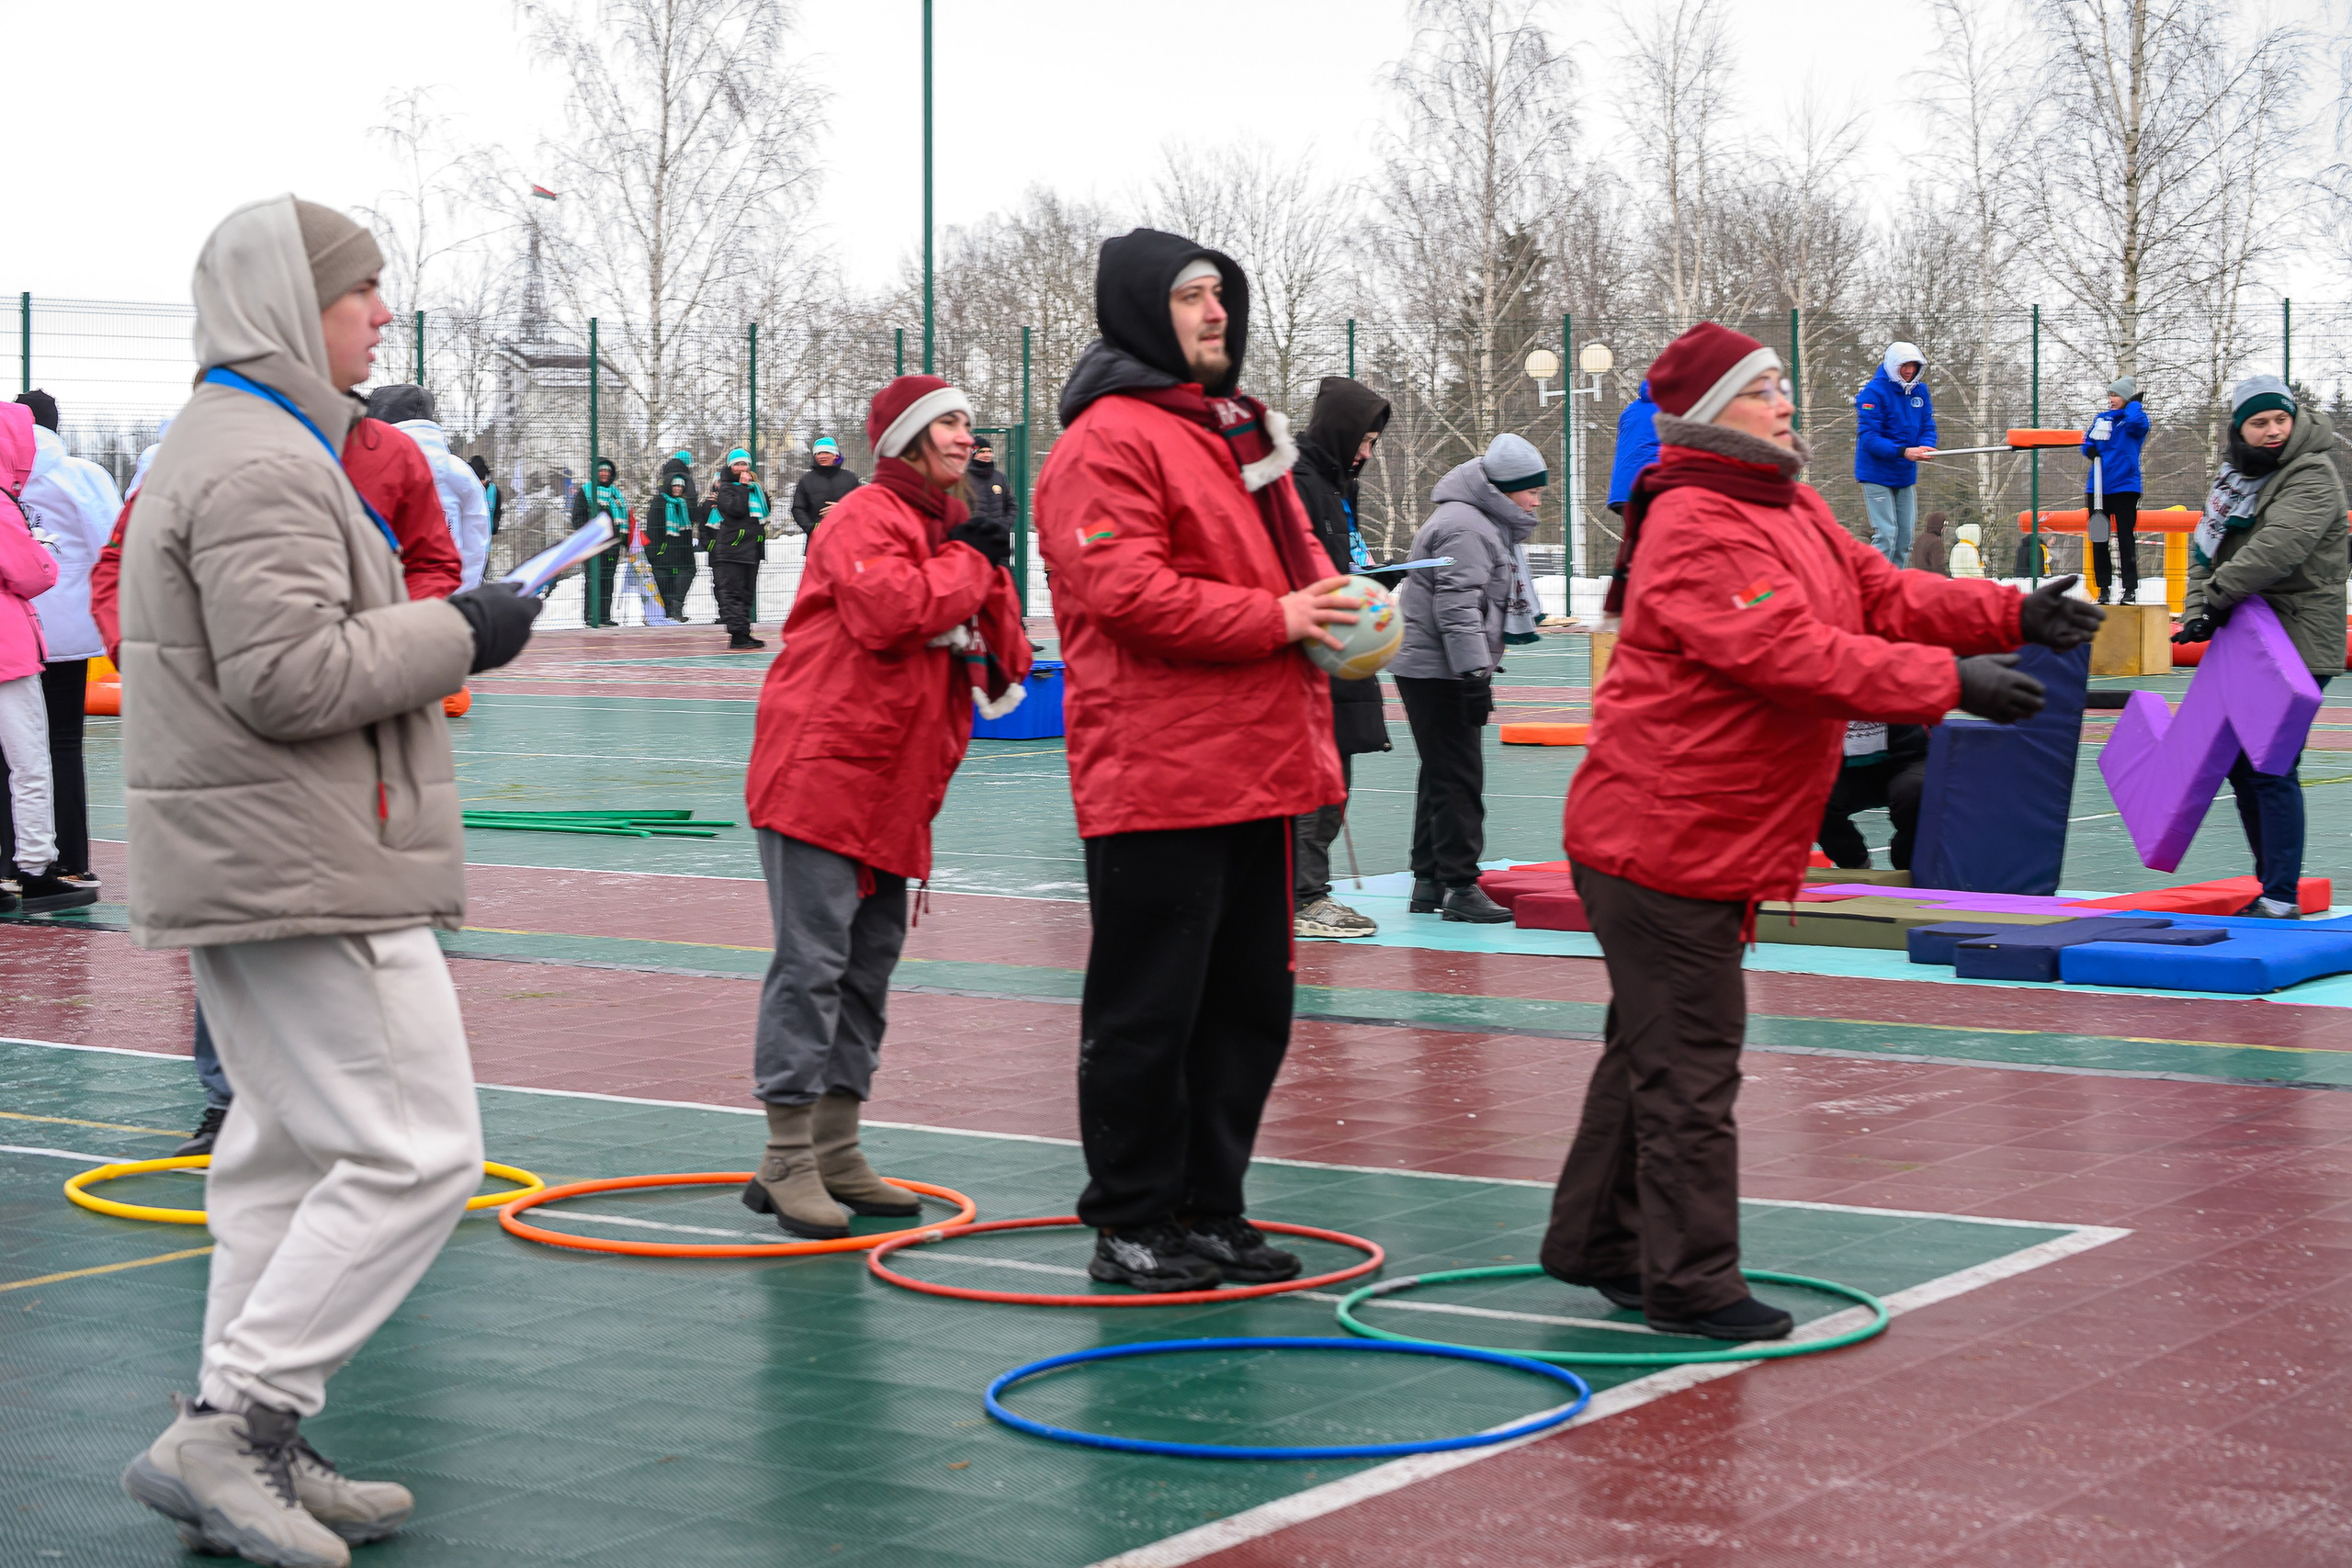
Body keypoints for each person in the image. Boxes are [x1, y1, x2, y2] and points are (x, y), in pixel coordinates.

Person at [115, 196, 542, 1566]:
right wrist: (462, 629)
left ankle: (247, 1441)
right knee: (421, 1151)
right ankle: (237, 1422)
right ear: (297, 305)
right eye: (362, 291)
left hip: (262, 855)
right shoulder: (260, 461)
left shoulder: (250, 441)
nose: (381, 316)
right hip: (303, 861)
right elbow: (291, 674)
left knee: (286, 1154)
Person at [1544, 321, 2101, 1342]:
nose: (1786, 399)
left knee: (1651, 1053)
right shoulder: (1696, 523)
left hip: (1699, 836)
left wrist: (2010, 614)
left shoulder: (1784, 503)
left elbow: (1881, 592)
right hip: (1662, 839)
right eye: (1762, 390)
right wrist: (1949, 680)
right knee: (1690, 1065)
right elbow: (1785, 651)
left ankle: (1596, 1244)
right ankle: (1692, 1281)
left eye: (1780, 385)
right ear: (1715, 416)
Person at [1036, 228, 1355, 1292]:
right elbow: (1120, 593)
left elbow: (1298, 550)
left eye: (1221, 294)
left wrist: (1341, 610)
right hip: (1159, 774)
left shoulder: (1237, 425)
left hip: (1263, 767)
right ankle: (1131, 1223)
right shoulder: (1108, 440)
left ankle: (1209, 1209)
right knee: (1148, 1013)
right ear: (1138, 311)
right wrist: (1278, 615)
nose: (1214, 313)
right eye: (1188, 298)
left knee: (1247, 1009)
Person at [739, 375, 1028, 1237]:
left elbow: (1006, 656)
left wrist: (992, 566)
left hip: (893, 789)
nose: (962, 436)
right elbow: (888, 609)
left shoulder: (951, 529)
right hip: (821, 773)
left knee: (866, 968)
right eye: (945, 421)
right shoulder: (864, 517)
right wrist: (972, 563)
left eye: (968, 423)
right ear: (903, 439)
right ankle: (789, 1150)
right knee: (812, 963)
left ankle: (836, 1144)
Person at [2177, 375, 2348, 919]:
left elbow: (2280, 548)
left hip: (2297, 635)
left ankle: (2279, 896)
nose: (2273, 430)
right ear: (2240, 429)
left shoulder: (2313, 474)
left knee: (2272, 761)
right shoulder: (2233, 479)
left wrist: (2219, 600)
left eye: (2281, 419)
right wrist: (2197, 605)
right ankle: (2270, 886)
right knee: (2242, 764)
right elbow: (2204, 552)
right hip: (2250, 636)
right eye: (2259, 422)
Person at [1391, 433, 1545, 924]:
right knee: (1460, 775)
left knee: (1441, 772)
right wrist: (1474, 674)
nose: (1536, 499)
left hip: (1432, 665)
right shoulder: (1469, 529)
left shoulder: (1473, 519)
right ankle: (1460, 885)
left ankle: (1429, 881)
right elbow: (1457, 611)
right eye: (1529, 489)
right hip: (1441, 669)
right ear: (1501, 489)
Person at [1, 389, 119, 900]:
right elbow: (110, 541)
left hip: (21, 630)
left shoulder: (15, 484)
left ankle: (12, 858)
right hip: (59, 627)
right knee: (59, 745)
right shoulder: (80, 474)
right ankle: (67, 859)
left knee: (10, 753)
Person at [1289, 376, 1393, 940]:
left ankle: (1307, 891)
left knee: (1336, 774)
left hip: (1342, 645)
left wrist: (1375, 581)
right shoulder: (1298, 483)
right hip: (1312, 653)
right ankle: (1304, 896)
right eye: (1365, 441)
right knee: (1316, 779)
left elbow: (1341, 561)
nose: (1367, 453)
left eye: (1374, 444)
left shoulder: (1338, 487)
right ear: (1341, 432)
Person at [0, 402, 65, 918]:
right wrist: (43, 551)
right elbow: (31, 575)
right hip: (7, 653)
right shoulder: (3, 506)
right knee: (29, 763)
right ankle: (36, 870)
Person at [366, 385, 492, 589]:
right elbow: (475, 542)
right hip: (445, 595)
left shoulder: (364, 467)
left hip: (382, 601)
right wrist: (463, 598)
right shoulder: (459, 471)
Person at [1854, 341, 1938, 565]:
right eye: (1904, 365)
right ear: (1893, 365)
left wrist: (1926, 446)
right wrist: (1904, 452)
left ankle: (1894, 587)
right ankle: (1875, 587)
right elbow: (1869, 439)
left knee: (1904, 540)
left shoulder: (1921, 391)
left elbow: (1928, 425)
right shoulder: (1873, 393)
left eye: (1913, 365)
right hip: (1876, 475)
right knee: (1886, 535)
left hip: (1904, 475)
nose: (1909, 370)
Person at [1816, 722, 1929, 870]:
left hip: (1907, 757)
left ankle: (1907, 869)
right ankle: (1855, 865)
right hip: (1844, 765)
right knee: (1813, 796)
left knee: (1916, 793)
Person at [2083, 376, 2152, 604]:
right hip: (2099, 488)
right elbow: (2088, 443)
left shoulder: (2134, 420)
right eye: (2110, 395)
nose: (2111, 400)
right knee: (2099, 538)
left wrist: (2133, 403)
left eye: (2116, 395)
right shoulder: (2101, 419)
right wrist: (2091, 452)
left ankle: (2129, 589)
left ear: (2126, 397)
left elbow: (2136, 424)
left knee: (2125, 538)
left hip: (2125, 487)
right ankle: (2103, 588)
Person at [707, 448, 770, 649]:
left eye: (744, 465)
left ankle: (744, 631)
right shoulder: (726, 488)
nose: (741, 468)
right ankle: (736, 634)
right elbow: (735, 510)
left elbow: (765, 511)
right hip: (733, 547)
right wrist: (742, 487)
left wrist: (754, 488)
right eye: (737, 464)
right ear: (730, 466)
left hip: (752, 548)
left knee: (746, 593)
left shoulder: (755, 488)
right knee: (732, 592)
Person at [572, 457, 628, 626]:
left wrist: (621, 538)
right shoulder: (586, 491)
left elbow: (622, 520)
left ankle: (604, 615)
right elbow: (577, 518)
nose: (604, 474)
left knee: (607, 579)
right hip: (592, 544)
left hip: (611, 546)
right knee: (593, 578)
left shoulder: (615, 493)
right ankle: (591, 614)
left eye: (607, 471)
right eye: (601, 471)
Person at [646, 451, 697, 623]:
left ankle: (676, 607)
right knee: (664, 579)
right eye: (674, 485)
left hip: (683, 551)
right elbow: (653, 527)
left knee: (685, 576)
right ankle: (669, 611)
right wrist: (655, 552)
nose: (677, 488)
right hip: (663, 551)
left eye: (681, 485)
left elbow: (695, 518)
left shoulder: (686, 504)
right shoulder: (659, 502)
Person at [1606, 378, 1661, 515]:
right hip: (1651, 489)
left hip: (1624, 491)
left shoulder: (1630, 410)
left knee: (1637, 535)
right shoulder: (1671, 408)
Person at [788, 435, 859, 540]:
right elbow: (798, 509)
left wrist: (843, 508)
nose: (822, 456)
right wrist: (813, 528)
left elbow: (862, 505)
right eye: (818, 453)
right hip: (818, 541)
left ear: (835, 455)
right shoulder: (806, 480)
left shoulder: (850, 478)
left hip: (848, 539)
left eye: (826, 452)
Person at [966, 434, 1016, 532]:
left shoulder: (999, 477)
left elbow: (1011, 505)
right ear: (972, 453)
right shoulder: (962, 479)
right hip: (972, 539)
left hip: (998, 540)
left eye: (989, 451)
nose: (987, 455)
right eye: (982, 452)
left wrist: (1004, 526)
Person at [468, 454, 502, 537]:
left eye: (483, 479)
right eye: (479, 479)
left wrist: (494, 526)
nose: (482, 482)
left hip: (485, 539)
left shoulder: (493, 491)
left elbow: (497, 512)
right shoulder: (466, 490)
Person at [1908, 511, 1951, 575]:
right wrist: (1950, 578)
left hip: (1918, 578)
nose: (1944, 528)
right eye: (1944, 524)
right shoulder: (1936, 542)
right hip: (1931, 580)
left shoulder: (1919, 539)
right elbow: (1938, 568)